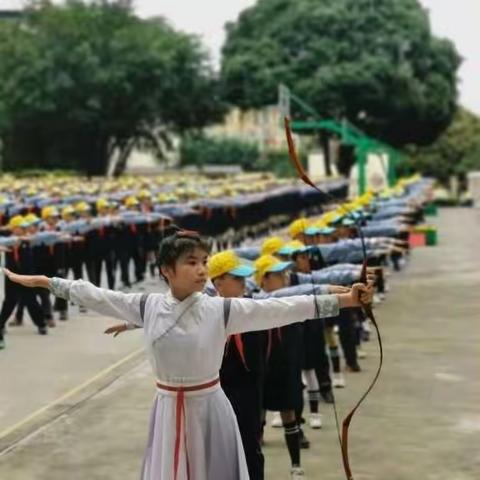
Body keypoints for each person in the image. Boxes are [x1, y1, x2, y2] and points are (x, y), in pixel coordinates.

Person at [3, 230, 372, 479]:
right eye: (191, 262)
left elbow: (286, 307)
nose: (201, 269)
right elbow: (96, 295)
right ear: (166, 270)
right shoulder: (145, 305)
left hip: (210, 406)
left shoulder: (222, 309)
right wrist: (45, 282)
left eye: (204, 261)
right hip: (167, 408)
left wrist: (346, 300)